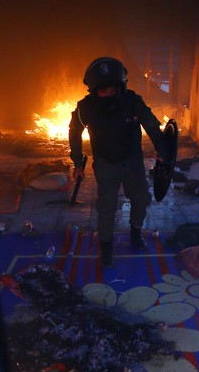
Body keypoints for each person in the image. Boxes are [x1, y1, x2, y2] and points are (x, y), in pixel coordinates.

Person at [69, 57, 167, 268]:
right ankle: (106, 244)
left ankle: (135, 231)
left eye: (111, 90)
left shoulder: (133, 101)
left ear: (120, 86)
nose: (107, 95)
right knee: (106, 206)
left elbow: (151, 124)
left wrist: (162, 148)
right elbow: (74, 132)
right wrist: (77, 163)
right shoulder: (85, 108)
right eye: (102, 91)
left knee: (140, 198)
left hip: (132, 160)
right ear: (94, 91)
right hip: (105, 162)